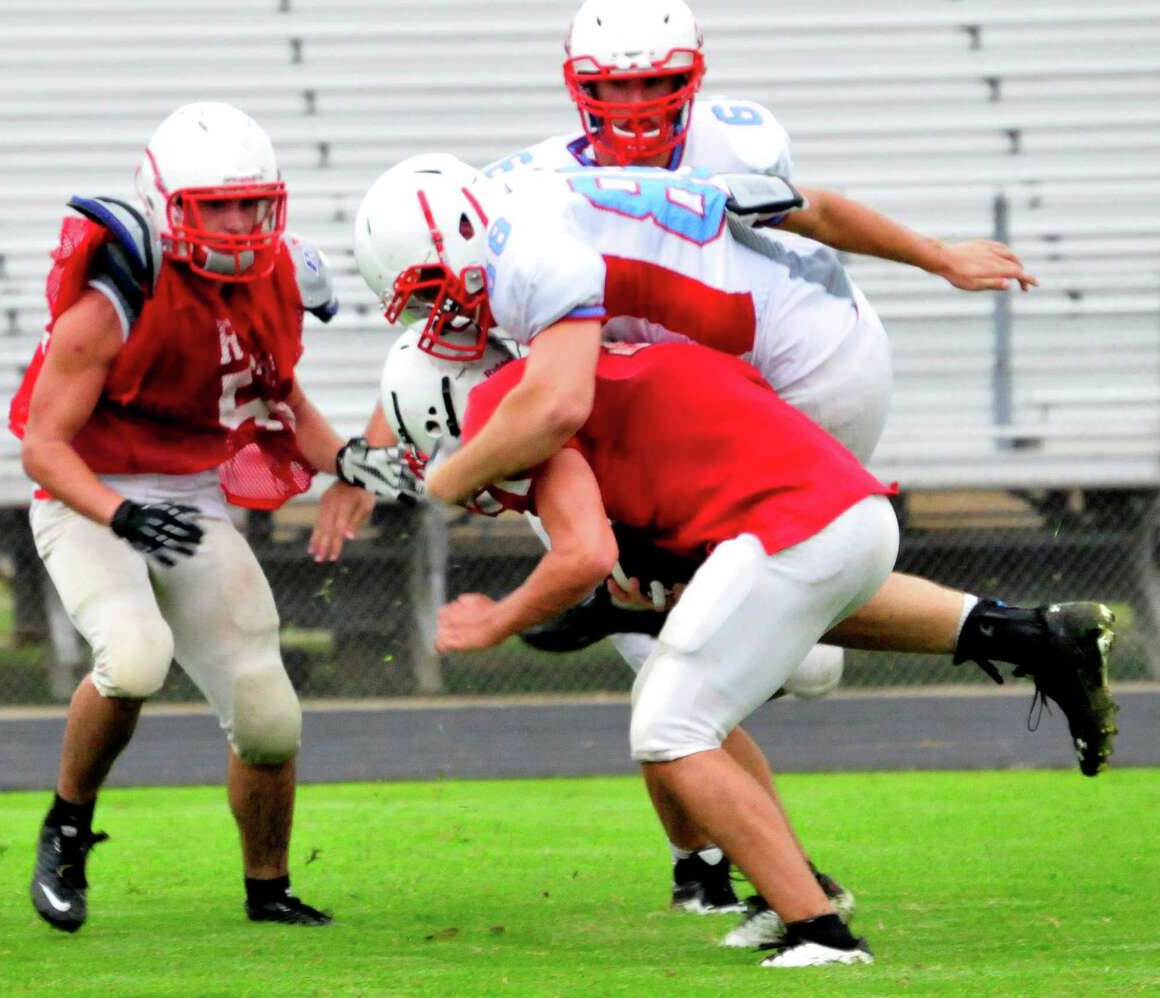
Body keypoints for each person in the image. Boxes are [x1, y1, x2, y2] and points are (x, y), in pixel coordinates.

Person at [347, 159, 1120, 943]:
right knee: (696, 652)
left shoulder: (528, 332)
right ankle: (1024, 637)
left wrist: (485, 574)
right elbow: (793, 213)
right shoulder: (564, 247)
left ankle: (808, 922)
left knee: (676, 717)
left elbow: (561, 454)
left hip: (802, 429)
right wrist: (934, 254)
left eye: (430, 289)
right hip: (818, 445)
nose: (441, 315)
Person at [379, 327, 899, 967]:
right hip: (833, 513)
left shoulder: (525, 413)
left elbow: (584, 556)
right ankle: (792, 893)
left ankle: (819, 931)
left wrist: (497, 620)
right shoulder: (584, 373)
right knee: (678, 710)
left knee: (672, 725)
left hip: (798, 529)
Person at [10, 101, 375, 933]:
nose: (242, 225)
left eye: (253, 204)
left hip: (187, 498)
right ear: (169, 205)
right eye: (218, 206)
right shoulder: (115, 297)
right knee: (136, 658)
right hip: (89, 494)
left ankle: (267, 888)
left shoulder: (274, 277)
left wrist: (348, 460)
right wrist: (120, 513)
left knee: (269, 717)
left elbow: (283, 403)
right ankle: (66, 829)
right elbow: (43, 448)